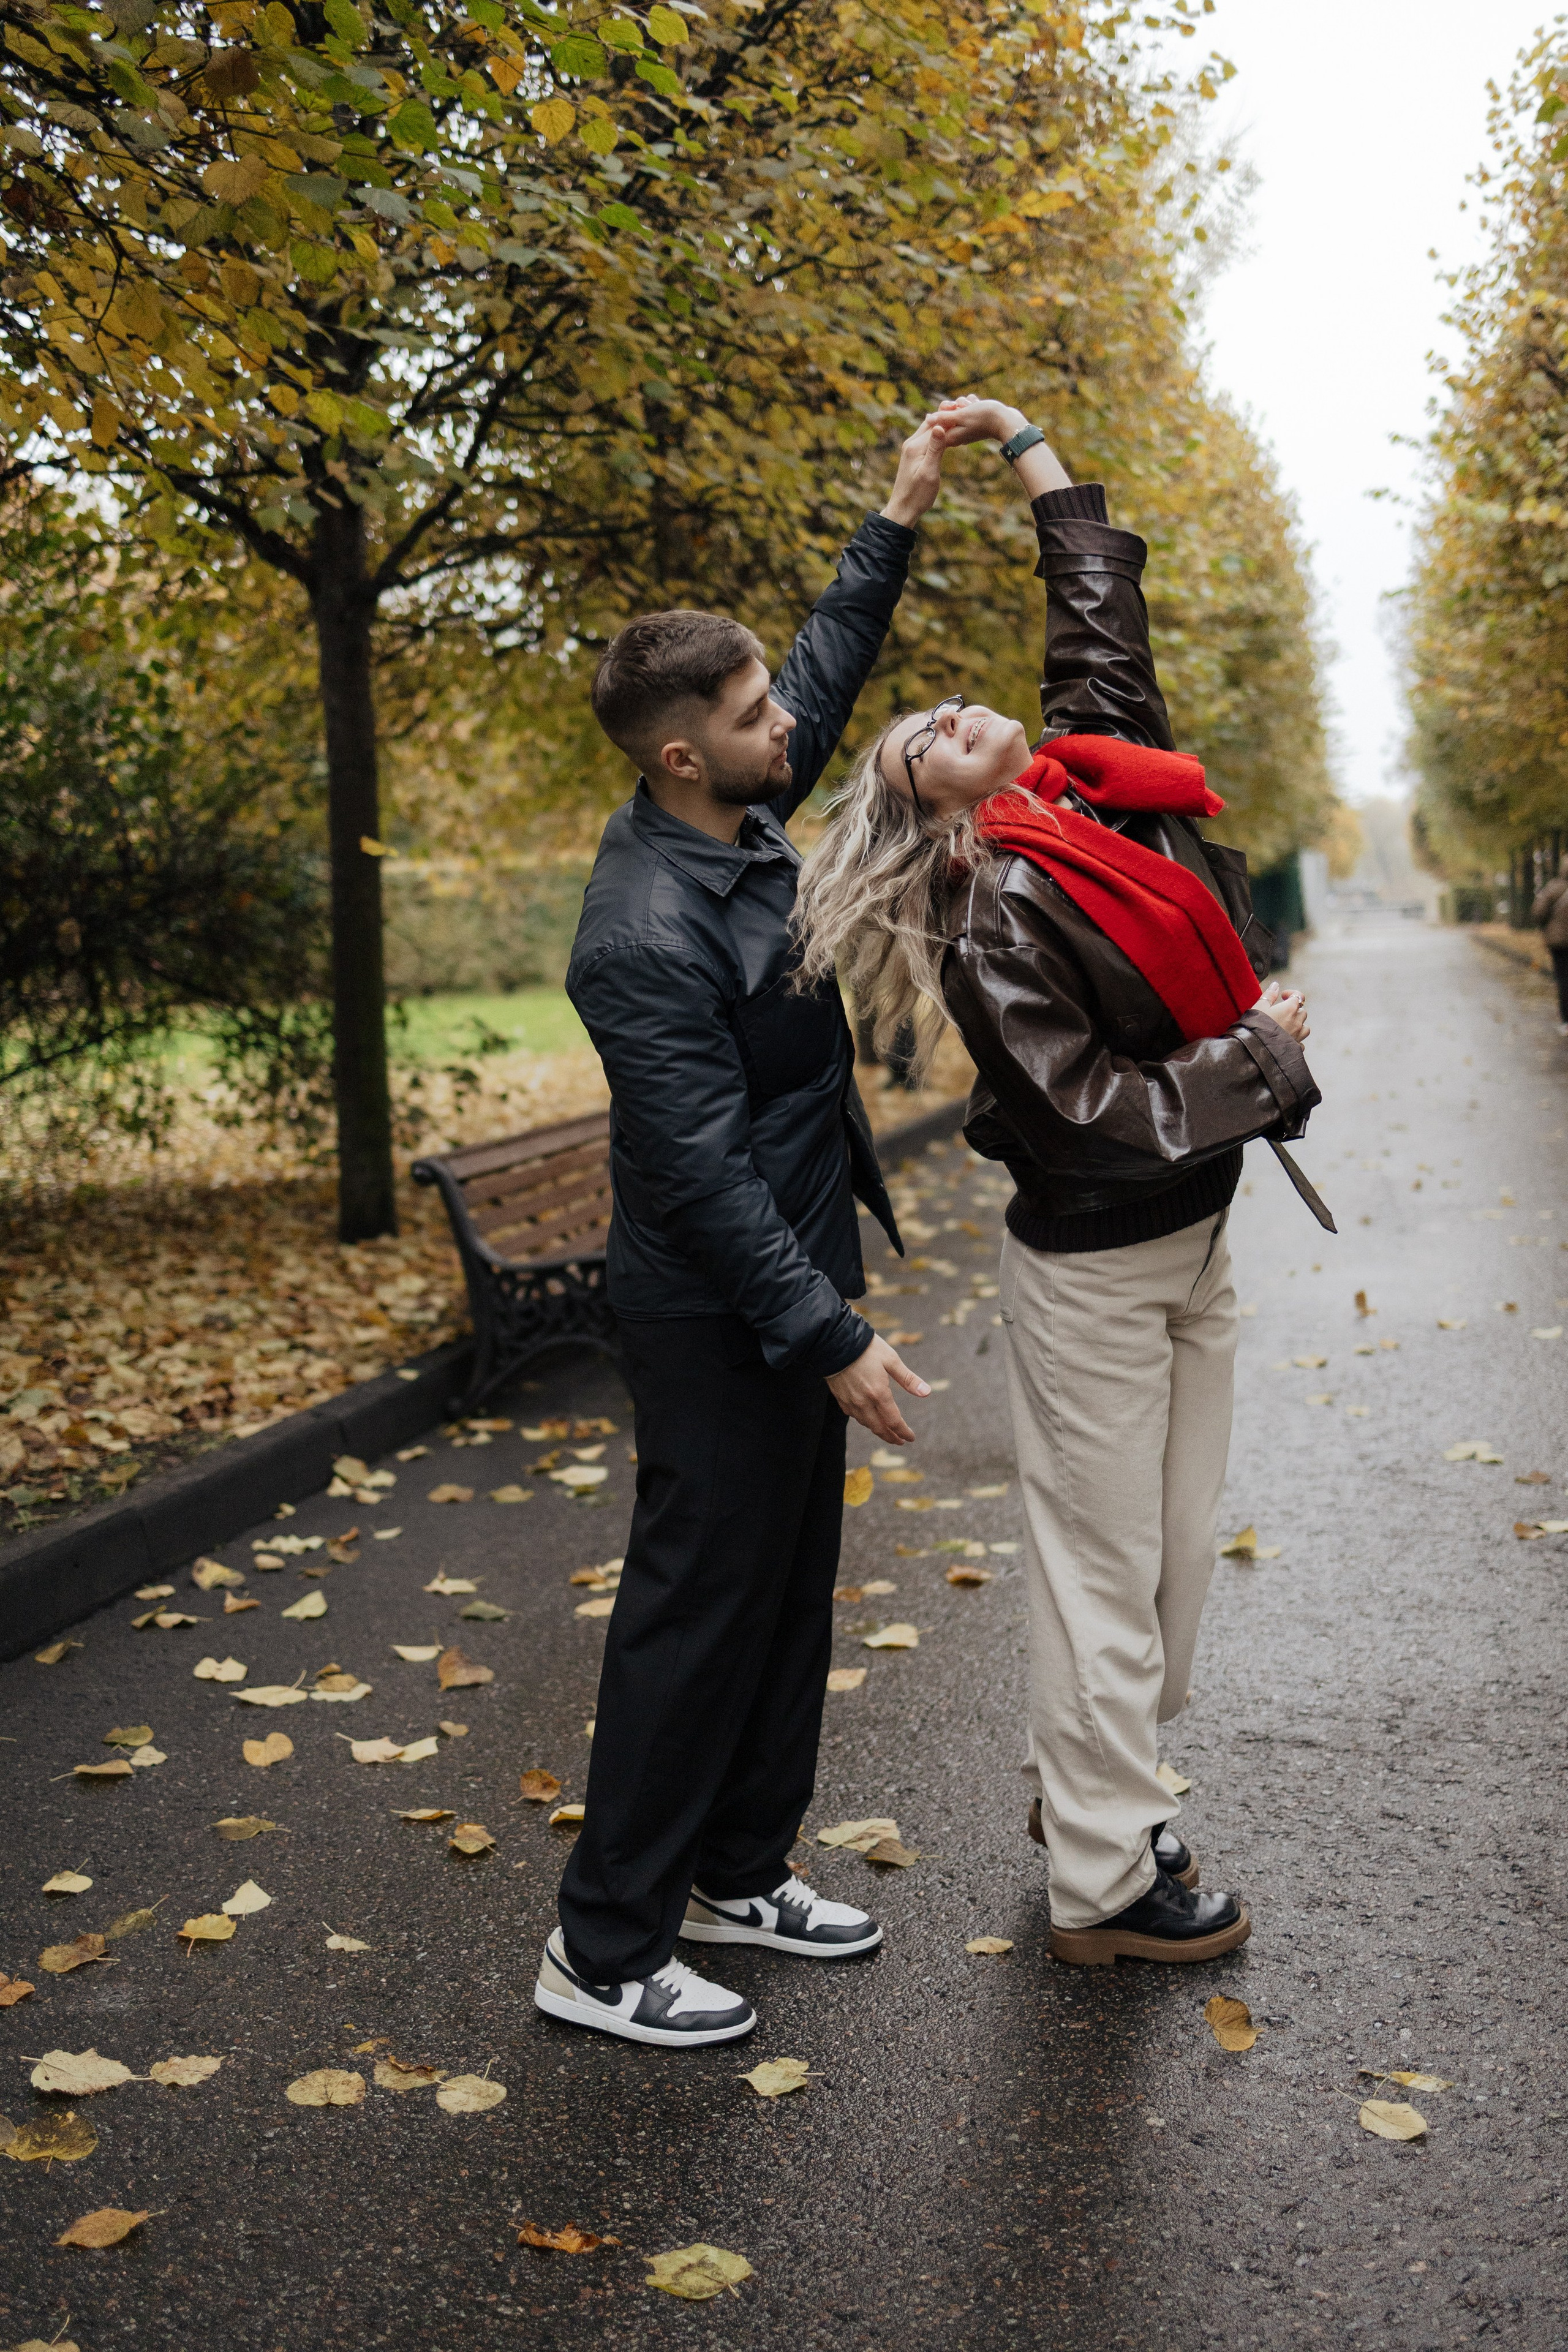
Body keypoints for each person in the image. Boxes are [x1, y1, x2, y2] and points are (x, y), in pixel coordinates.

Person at [793, 394, 1323, 1967]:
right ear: (928, 812)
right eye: (920, 739)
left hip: (1191, 1238)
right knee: (1104, 1574)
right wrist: (1262, 1056)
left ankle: (1089, 1783)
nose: (952, 710)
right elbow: (1089, 1111)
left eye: (948, 701)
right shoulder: (993, 912)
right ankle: (1100, 1882)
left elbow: (1098, 622)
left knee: (1166, 1567)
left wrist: (1024, 449)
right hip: (1093, 1261)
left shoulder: (1088, 791)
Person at [533, 413, 957, 2048]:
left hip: (793, 1274)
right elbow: (699, 1177)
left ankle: (738, 1870)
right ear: (676, 759)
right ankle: (605, 1944)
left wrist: (897, 515)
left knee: (789, 1593)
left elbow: (832, 663)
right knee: (696, 1610)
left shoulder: (748, 811)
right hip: (720, 1308)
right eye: (752, 712)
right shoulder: (639, 933)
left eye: (769, 697)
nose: (793, 721)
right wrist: (831, 1335)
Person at [1531, 853, 1568, 1033]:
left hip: (1558, 942)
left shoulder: (1554, 888)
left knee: (1563, 979)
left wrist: (1546, 926)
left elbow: (1538, 912)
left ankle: (1566, 1021)